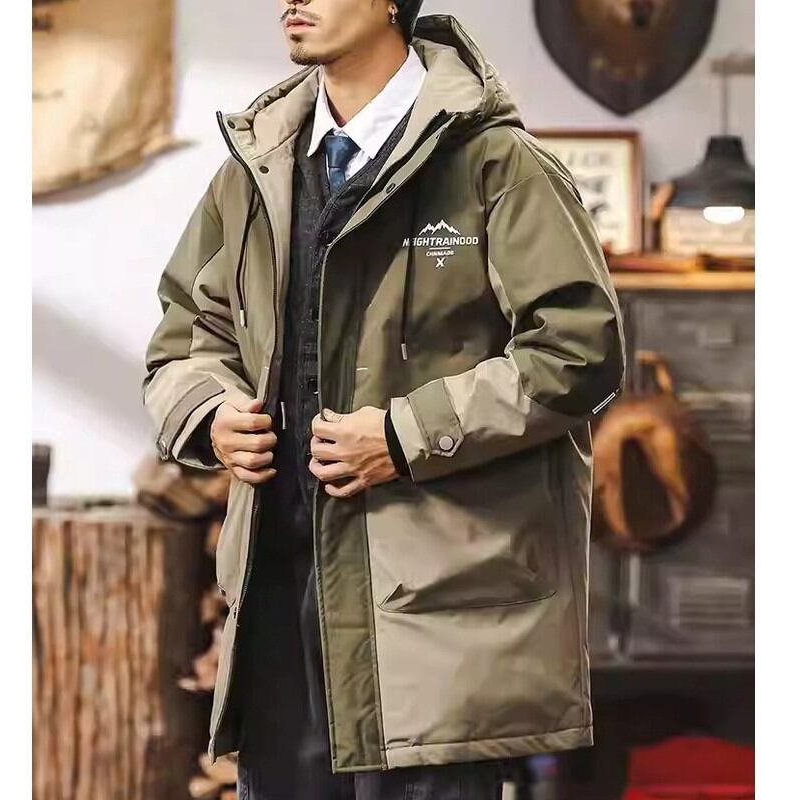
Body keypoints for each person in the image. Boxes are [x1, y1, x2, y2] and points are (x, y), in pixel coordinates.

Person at [142, 2, 627, 799]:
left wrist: (406, 435)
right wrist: (209, 412)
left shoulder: (495, 163)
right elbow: (186, 336)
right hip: (278, 603)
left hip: (435, 619)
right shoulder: (255, 171)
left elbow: (577, 352)